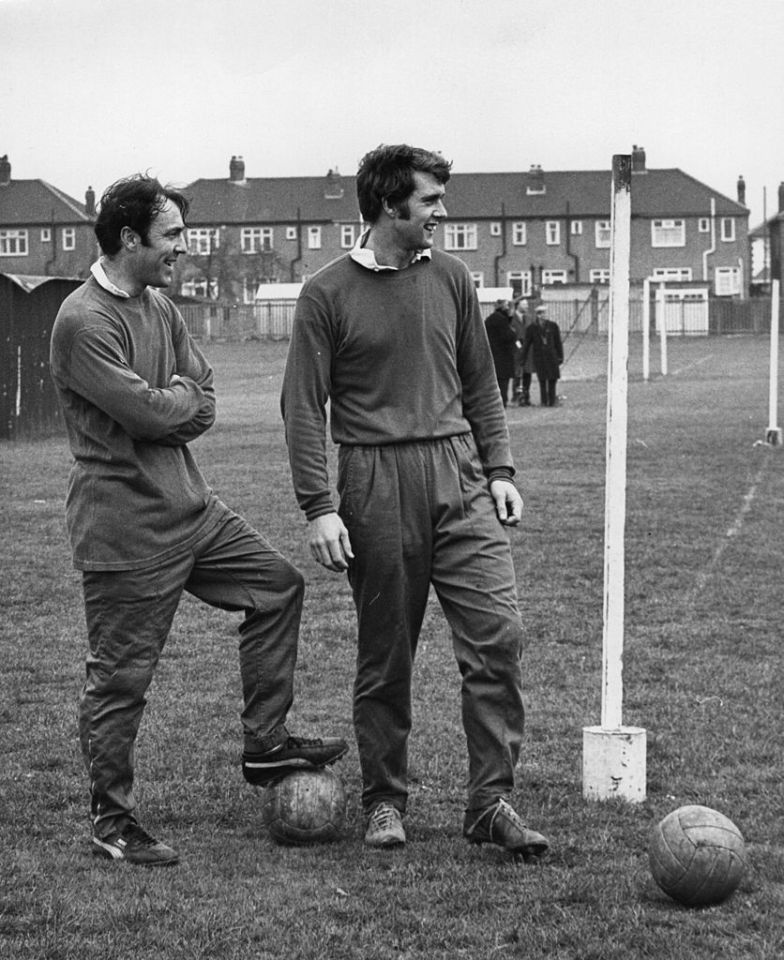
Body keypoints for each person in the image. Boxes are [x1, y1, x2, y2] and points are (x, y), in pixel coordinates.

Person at [50, 174, 347, 867]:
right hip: (125, 530)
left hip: (193, 511)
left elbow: (199, 400)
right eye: (174, 236)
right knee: (122, 678)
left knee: (277, 588)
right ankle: (112, 818)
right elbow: (150, 413)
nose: (184, 248)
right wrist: (172, 401)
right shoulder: (82, 321)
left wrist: (174, 398)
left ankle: (266, 744)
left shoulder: (160, 306)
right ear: (130, 239)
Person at [280, 144, 549, 858]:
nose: (442, 211)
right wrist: (318, 506)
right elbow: (304, 408)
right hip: (373, 482)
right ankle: (384, 801)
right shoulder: (325, 293)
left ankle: (490, 803)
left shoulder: (454, 277)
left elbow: (481, 382)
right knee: (386, 655)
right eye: (431, 200)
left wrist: (500, 468)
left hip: (459, 476)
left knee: (499, 635)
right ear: (392, 203)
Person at [520, 304, 563, 406]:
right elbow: (526, 344)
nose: (543, 316)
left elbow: (558, 343)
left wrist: (560, 356)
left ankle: (551, 401)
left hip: (551, 356)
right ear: (537, 315)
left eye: (544, 313)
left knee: (552, 378)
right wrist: (523, 358)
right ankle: (544, 401)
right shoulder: (532, 328)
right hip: (539, 357)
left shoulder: (553, 326)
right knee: (542, 379)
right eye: (540, 314)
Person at [484, 299, 518, 406]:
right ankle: (503, 401)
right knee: (503, 382)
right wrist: (513, 333)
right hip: (503, 356)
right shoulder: (501, 320)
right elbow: (507, 336)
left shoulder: (489, 319)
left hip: (491, 355)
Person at [510, 298, 533, 406]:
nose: (527, 306)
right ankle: (516, 397)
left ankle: (526, 397)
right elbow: (511, 335)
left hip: (528, 351)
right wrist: (519, 345)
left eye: (527, 304)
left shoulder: (528, 318)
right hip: (517, 351)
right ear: (518, 305)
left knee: (527, 374)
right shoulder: (511, 319)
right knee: (517, 375)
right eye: (524, 304)